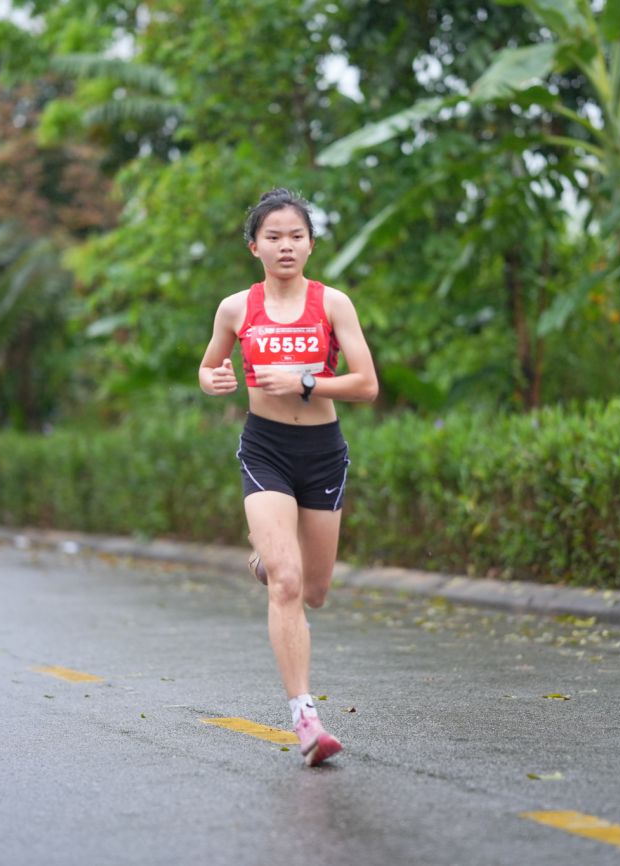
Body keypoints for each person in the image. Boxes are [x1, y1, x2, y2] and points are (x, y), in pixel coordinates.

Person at [198, 188, 378, 766]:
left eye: (295, 236)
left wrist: (304, 383)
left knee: (316, 591)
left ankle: (265, 560)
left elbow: (367, 384)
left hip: (322, 450)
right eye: (273, 236)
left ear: (311, 244)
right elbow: (208, 366)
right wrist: (216, 380)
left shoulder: (333, 304)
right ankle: (305, 716)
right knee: (287, 583)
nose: (285, 246)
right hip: (266, 448)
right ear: (255, 246)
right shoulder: (235, 308)